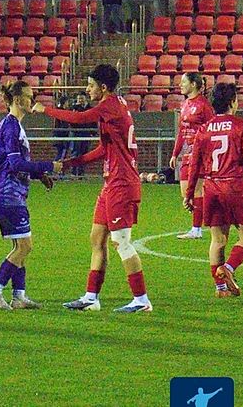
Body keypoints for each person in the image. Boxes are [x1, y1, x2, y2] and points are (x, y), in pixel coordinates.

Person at [33, 64, 152, 312]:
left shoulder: (109, 105)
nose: (87, 90)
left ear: (103, 87)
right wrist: (69, 164)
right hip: (111, 183)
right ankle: (91, 297)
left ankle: (141, 300)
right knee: (97, 238)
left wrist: (47, 110)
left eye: (90, 85)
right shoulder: (113, 107)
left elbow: (79, 118)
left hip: (122, 183)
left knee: (121, 241)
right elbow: (103, 150)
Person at [0, 81, 62, 310]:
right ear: (18, 100)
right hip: (8, 193)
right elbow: (15, 163)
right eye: (29, 96)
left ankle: (19, 296)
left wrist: (40, 175)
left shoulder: (14, 125)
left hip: (12, 191)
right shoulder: (11, 127)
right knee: (24, 247)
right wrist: (49, 166)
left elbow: (19, 163)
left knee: (21, 244)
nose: (32, 100)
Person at [184, 83, 243, 298]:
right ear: (232, 102)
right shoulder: (242, 126)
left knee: (218, 239)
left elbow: (194, 166)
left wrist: (189, 193)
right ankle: (229, 268)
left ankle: (220, 288)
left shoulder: (203, 130)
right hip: (236, 185)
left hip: (211, 187)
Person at [171, 73, 214, 240]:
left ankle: (196, 229)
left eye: (183, 82)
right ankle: (206, 215)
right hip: (186, 154)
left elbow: (211, 130)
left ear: (194, 84)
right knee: (186, 193)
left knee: (196, 191)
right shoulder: (185, 104)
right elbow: (182, 131)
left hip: (200, 154)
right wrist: (175, 153)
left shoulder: (204, 106)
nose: (180, 85)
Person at [69, 93, 93, 177]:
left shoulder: (90, 109)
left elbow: (93, 121)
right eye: (78, 99)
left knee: (84, 154)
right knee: (75, 153)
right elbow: (71, 122)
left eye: (81, 98)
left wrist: (92, 133)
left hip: (86, 134)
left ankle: (81, 173)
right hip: (76, 133)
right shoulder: (74, 109)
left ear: (85, 99)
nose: (80, 100)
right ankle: (73, 172)